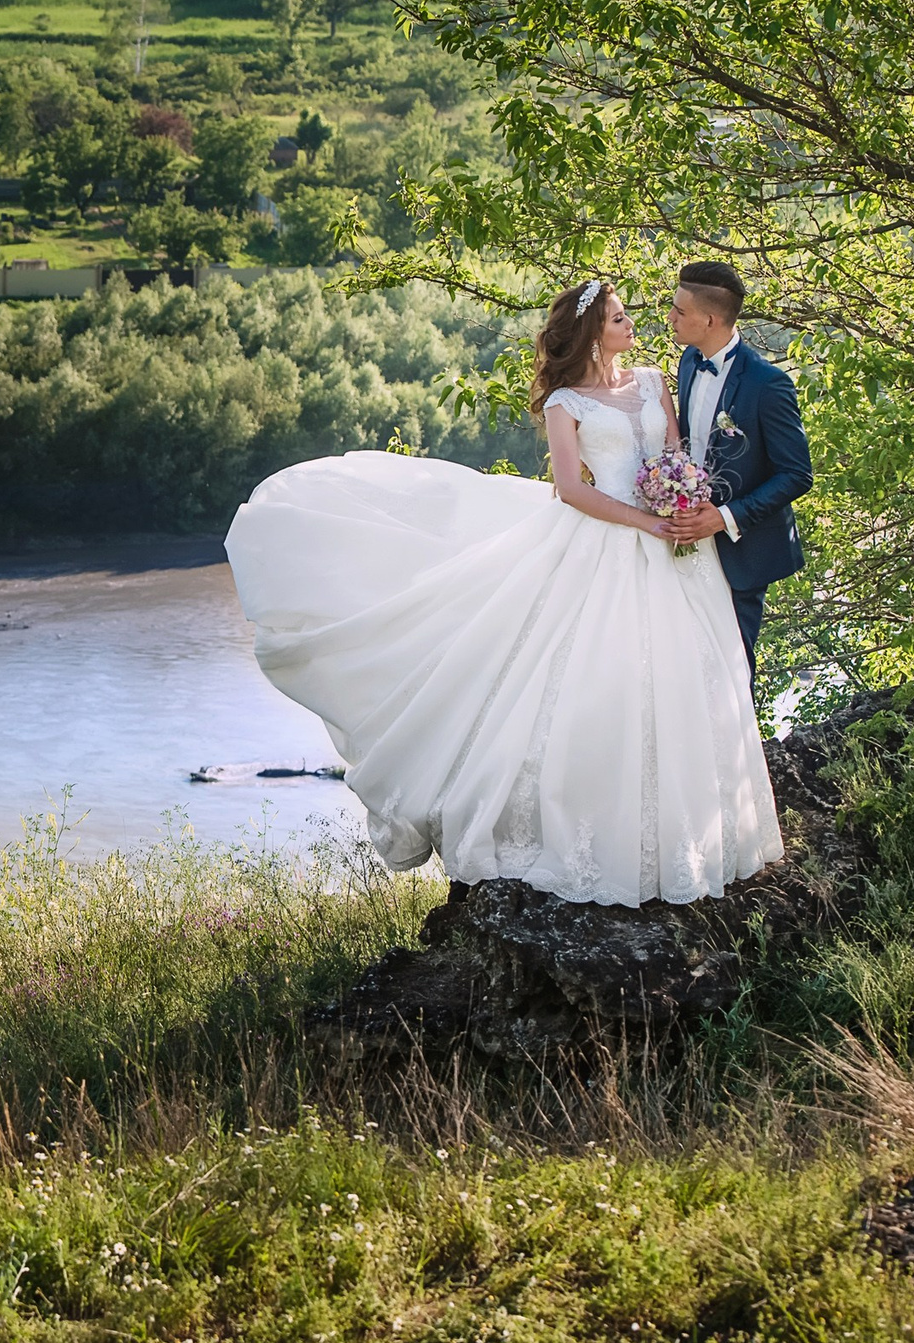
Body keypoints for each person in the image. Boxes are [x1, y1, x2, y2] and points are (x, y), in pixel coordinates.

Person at [224, 279, 783, 907]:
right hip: (607, 537)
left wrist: (682, 495)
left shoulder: (656, 381)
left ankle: (694, 831)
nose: (634, 324)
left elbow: (676, 452)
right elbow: (570, 488)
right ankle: (596, 828)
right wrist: (646, 520)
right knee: (596, 679)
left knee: (686, 678)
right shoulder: (566, 402)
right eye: (621, 317)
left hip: (678, 550)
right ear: (596, 331)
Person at [662, 260, 813, 682]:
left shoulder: (769, 384)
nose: (670, 318)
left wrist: (724, 518)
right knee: (685, 661)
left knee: (732, 669)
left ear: (709, 320)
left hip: (742, 547)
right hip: (687, 541)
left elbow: (797, 474)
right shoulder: (690, 363)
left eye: (679, 311)